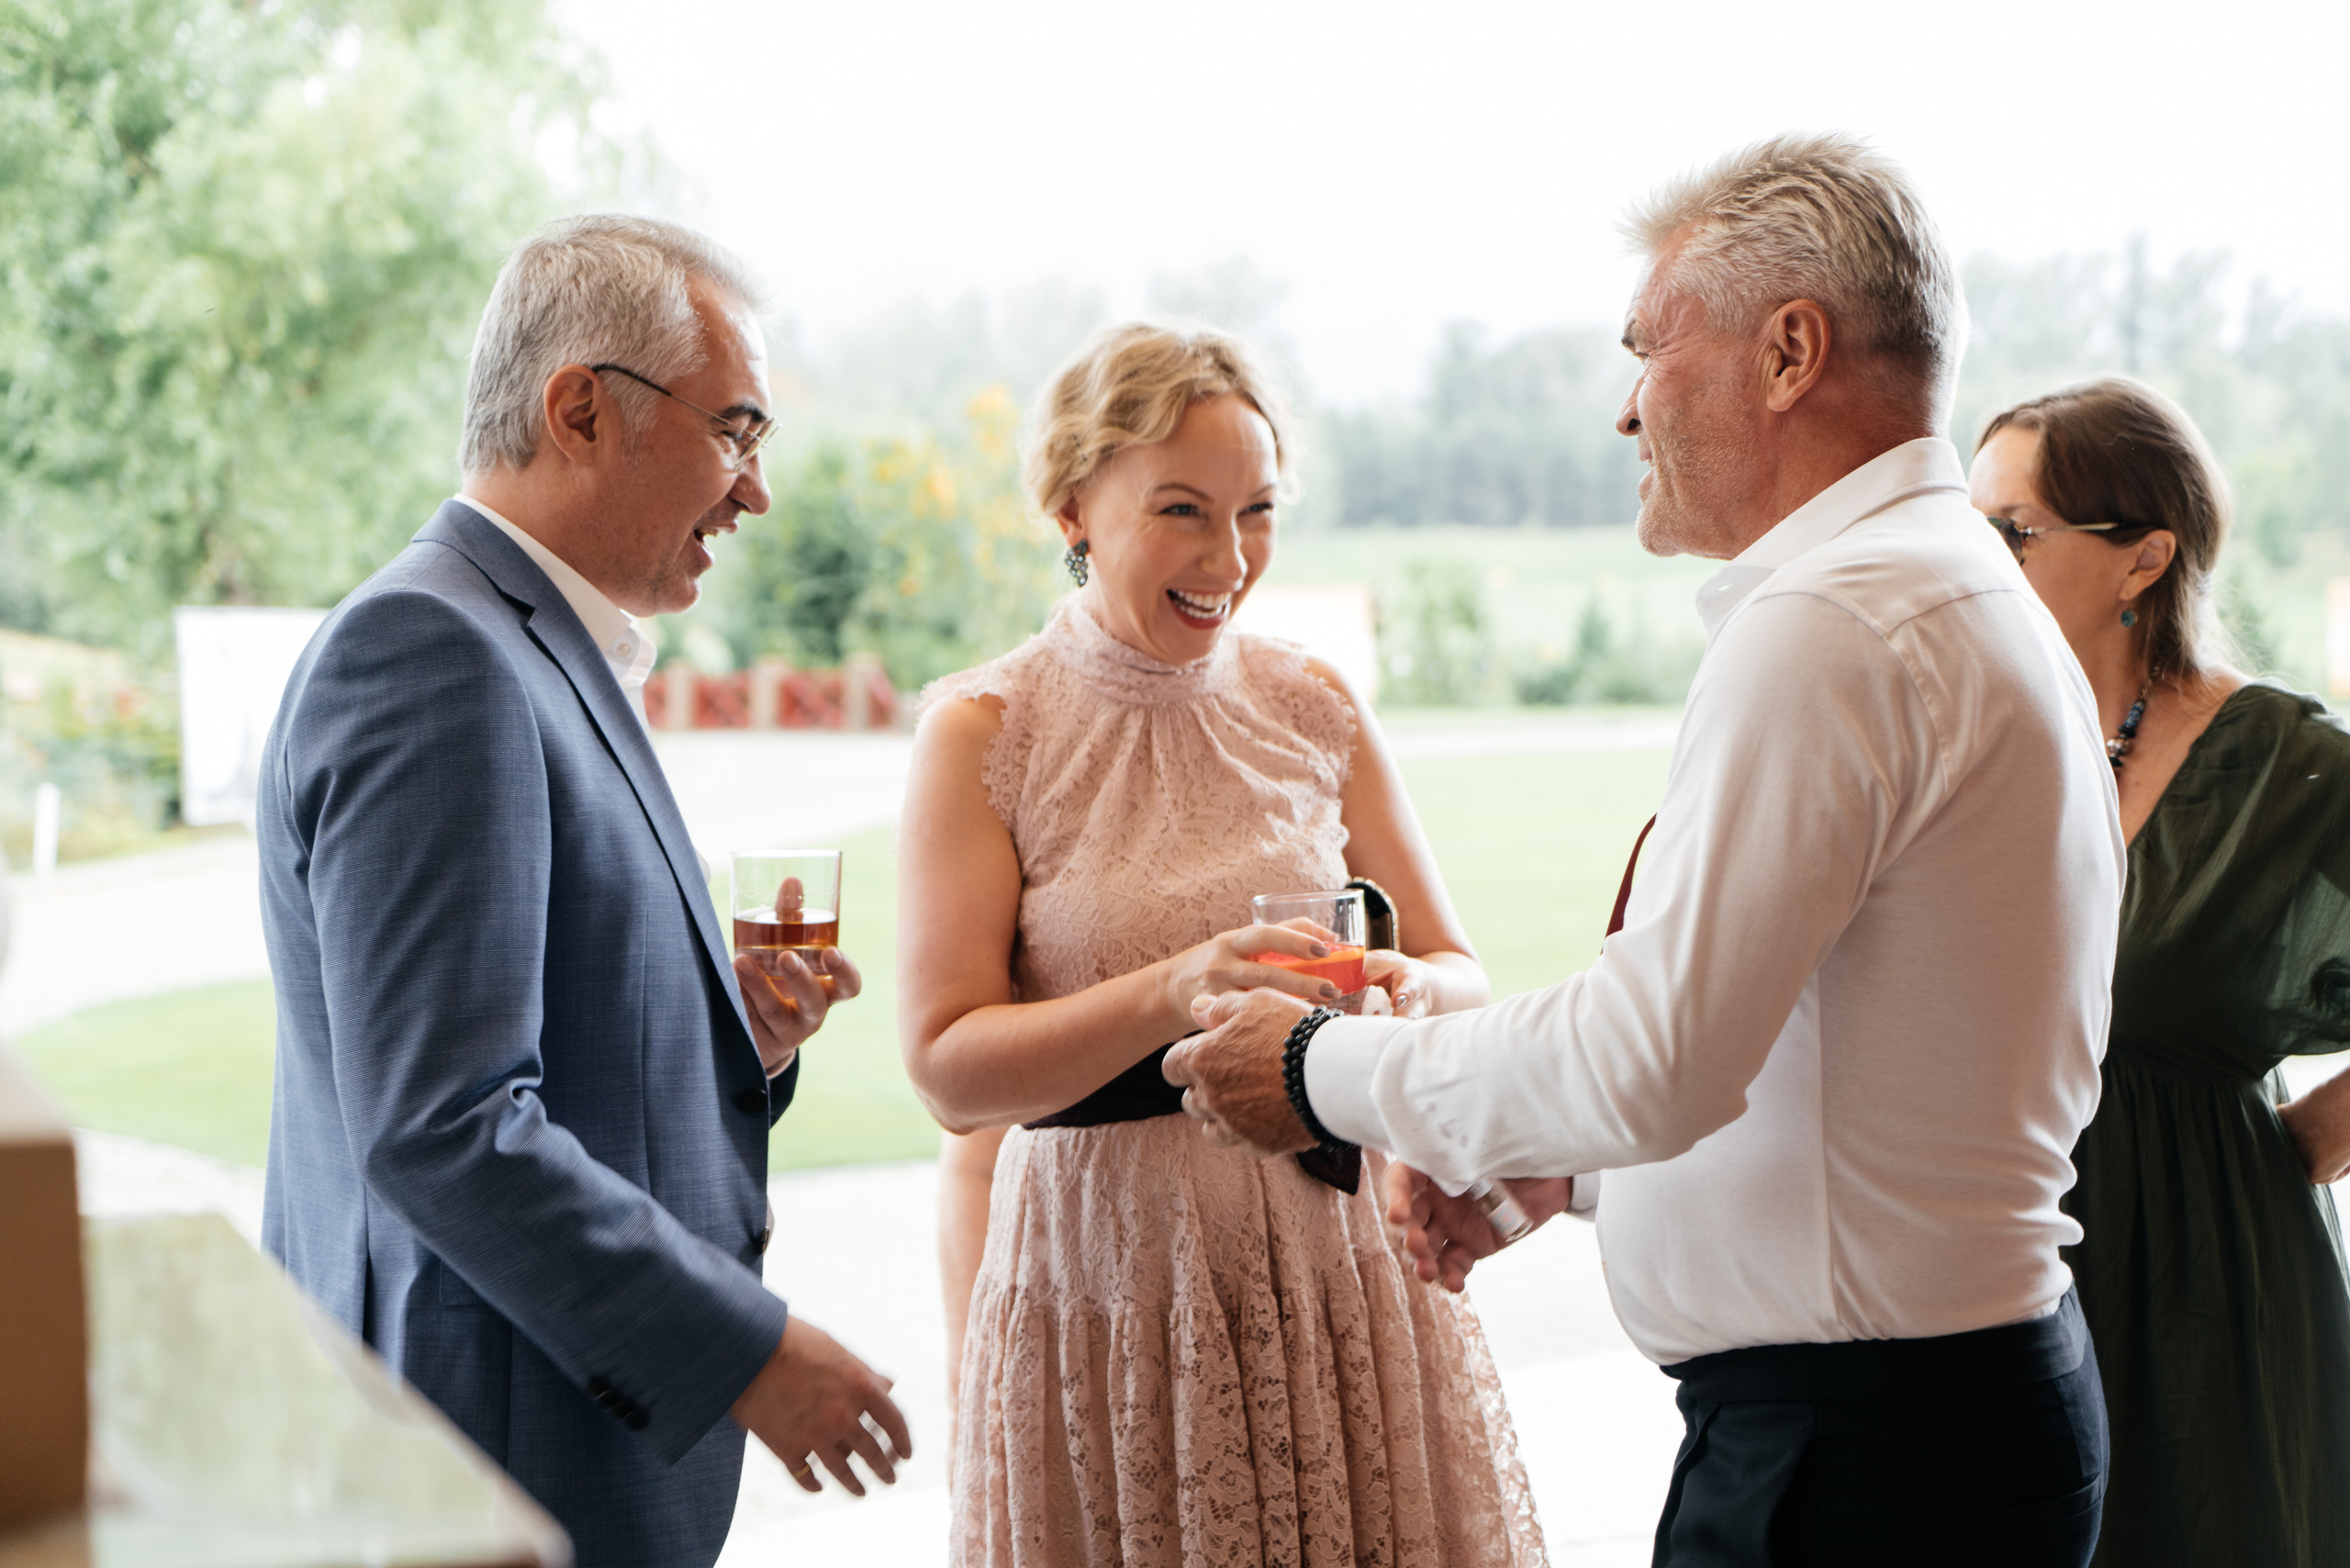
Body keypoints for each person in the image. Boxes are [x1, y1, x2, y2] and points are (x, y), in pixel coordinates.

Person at [1169, 134, 2124, 1567]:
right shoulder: (1950, 595)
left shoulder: (1837, 623)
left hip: (1864, 1462)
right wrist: (1574, 1174)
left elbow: (1656, 1054)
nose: (1628, 411)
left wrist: (1318, 1074)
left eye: (1651, 350)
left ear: (1789, 351)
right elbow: (1854, 1061)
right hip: (1939, 1417)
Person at [258, 215, 911, 1568]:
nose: (755, 491)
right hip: (490, 1465)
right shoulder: (432, 654)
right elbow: (443, 1125)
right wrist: (749, 1352)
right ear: (581, 410)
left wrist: (731, 1029)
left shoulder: (520, 641)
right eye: (737, 430)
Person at [900, 322, 1546, 1566]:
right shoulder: (986, 733)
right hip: (1108, 1294)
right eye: (1184, 511)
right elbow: (944, 1068)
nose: (1229, 558)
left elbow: (1460, 966)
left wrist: (1409, 992)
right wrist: (1176, 990)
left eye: (1257, 512)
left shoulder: (1313, 702)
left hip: (1336, 1277)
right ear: (1074, 502)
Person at [1968, 376, 2350, 1567]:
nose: (1975, 562)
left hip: (2211, 1280)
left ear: (2142, 559)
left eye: (2012, 534)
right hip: (1992, 1268)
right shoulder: (1967, 736)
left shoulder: (2284, 765)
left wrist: (2295, 1149)